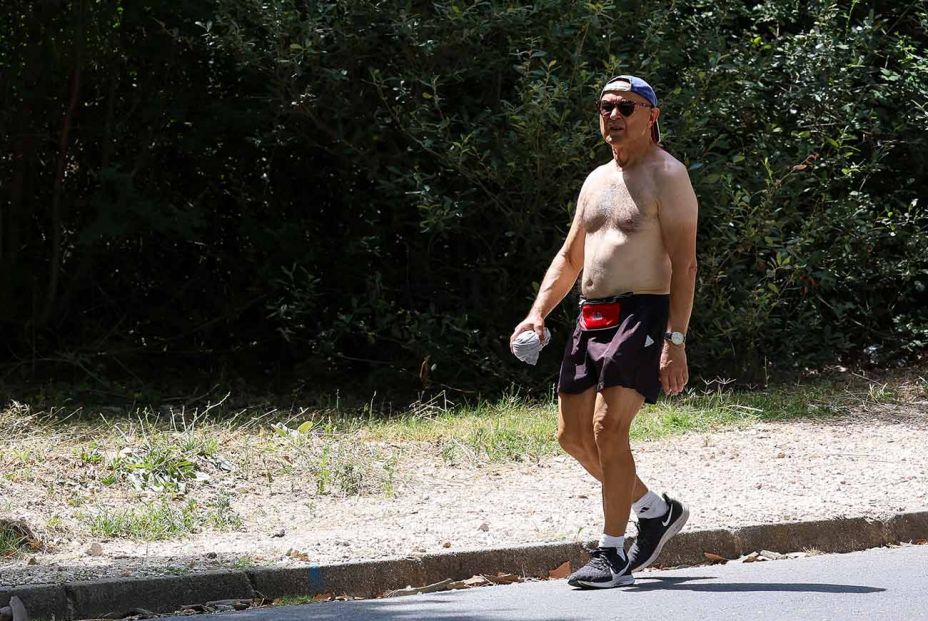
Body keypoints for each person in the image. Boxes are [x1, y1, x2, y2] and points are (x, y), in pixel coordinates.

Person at [510, 75, 699, 588]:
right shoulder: (595, 180)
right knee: (572, 436)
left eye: (626, 107)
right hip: (591, 316)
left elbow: (684, 266)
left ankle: (613, 553)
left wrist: (675, 342)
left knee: (606, 428)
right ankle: (655, 510)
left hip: (642, 312)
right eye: (605, 106)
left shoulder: (669, 175)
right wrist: (537, 314)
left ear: (651, 115)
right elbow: (571, 257)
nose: (613, 115)